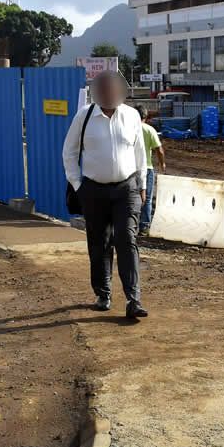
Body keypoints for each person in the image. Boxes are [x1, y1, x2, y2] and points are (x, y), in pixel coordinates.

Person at [62, 70, 149, 320]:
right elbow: (69, 152)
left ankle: (133, 299)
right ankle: (103, 293)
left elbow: (140, 153)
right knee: (99, 243)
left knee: (126, 238)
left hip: (127, 189)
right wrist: (78, 185)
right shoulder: (84, 116)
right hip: (94, 190)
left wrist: (142, 185)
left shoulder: (131, 116)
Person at [138, 108, 165, 236]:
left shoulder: (128, 128)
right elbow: (159, 149)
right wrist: (162, 163)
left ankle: (129, 224)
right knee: (147, 199)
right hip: (147, 168)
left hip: (130, 169)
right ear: (146, 116)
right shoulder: (149, 130)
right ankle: (144, 227)